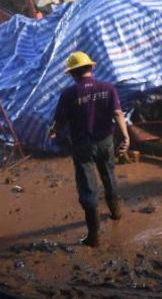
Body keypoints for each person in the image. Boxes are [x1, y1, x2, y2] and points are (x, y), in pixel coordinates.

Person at [49, 51, 130, 247]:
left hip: (83, 145)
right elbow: (118, 114)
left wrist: (55, 132)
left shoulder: (69, 94)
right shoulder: (108, 88)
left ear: (72, 74)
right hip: (106, 142)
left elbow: (59, 122)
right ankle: (116, 212)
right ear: (91, 68)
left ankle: (94, 237)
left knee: (87, 186)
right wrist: (126, 137)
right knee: (108, 174)